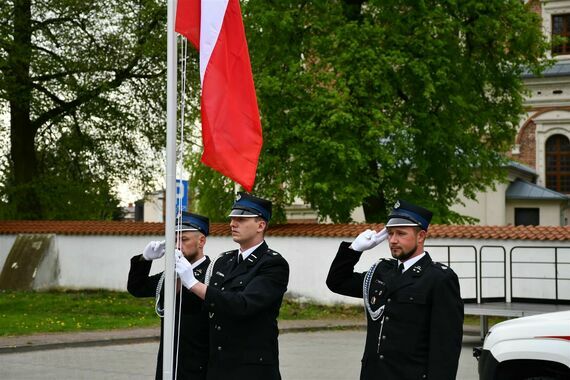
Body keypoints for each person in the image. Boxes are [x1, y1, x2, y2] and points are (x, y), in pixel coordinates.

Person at [326, 199, 464, 380]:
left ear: (421, 236)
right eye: (390, 234)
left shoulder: (439, 278)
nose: (393, 240)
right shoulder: (382, 271)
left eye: (401, 233)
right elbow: (337, 282)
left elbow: (445, 347)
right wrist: (354, 250)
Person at [175, 192, 289, 380]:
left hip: (251, 370)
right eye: (232, 218)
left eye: (241, 219)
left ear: (261, 225)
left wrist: (194, 283)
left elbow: (242, 305)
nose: (232, 223)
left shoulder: (273, 264)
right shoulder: (224, 261)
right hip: (217, 367)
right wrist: (177, 280)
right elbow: (201, 307)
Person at [127, 212, 211, 380]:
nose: (178, 246)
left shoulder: (212, 273)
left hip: (199, 365)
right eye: (174, 240)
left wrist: (191, 280)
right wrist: (145, 259)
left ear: (201, 241)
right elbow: (137, 288)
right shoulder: (169, 275)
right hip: (168, 364)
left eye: (184, 239)